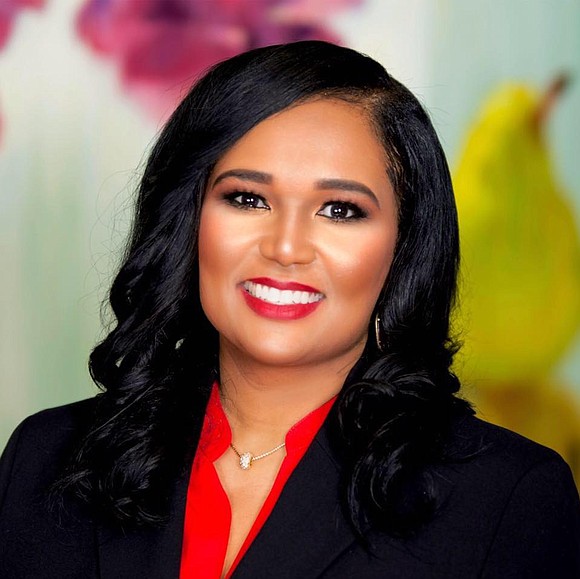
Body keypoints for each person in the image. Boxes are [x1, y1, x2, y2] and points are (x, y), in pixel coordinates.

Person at [0, 40, 579, 579]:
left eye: (341, 210)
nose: (284, 247)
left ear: (403, 249)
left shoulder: (509, 497)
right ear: (190, 222)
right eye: (247, 199)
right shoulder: (45, 457)